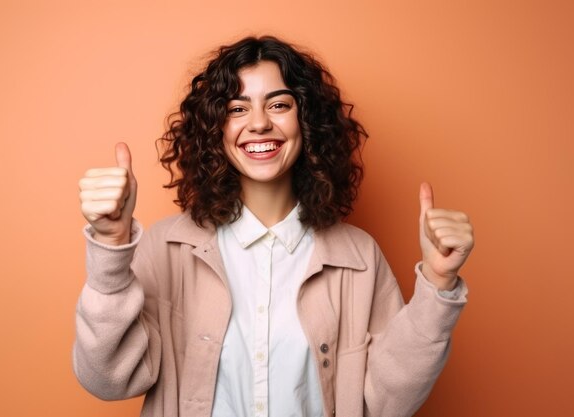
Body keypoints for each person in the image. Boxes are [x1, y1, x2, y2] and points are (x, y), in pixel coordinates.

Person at [74, 36, 474, 417]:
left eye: (279, 105)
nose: (259, 123)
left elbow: (388, 403)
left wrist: (438, 285)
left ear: (308, 121)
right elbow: (107, 379)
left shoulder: (359, 257)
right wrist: (111, 245)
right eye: (237, 108)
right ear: (215, 128)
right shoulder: (165, 247)